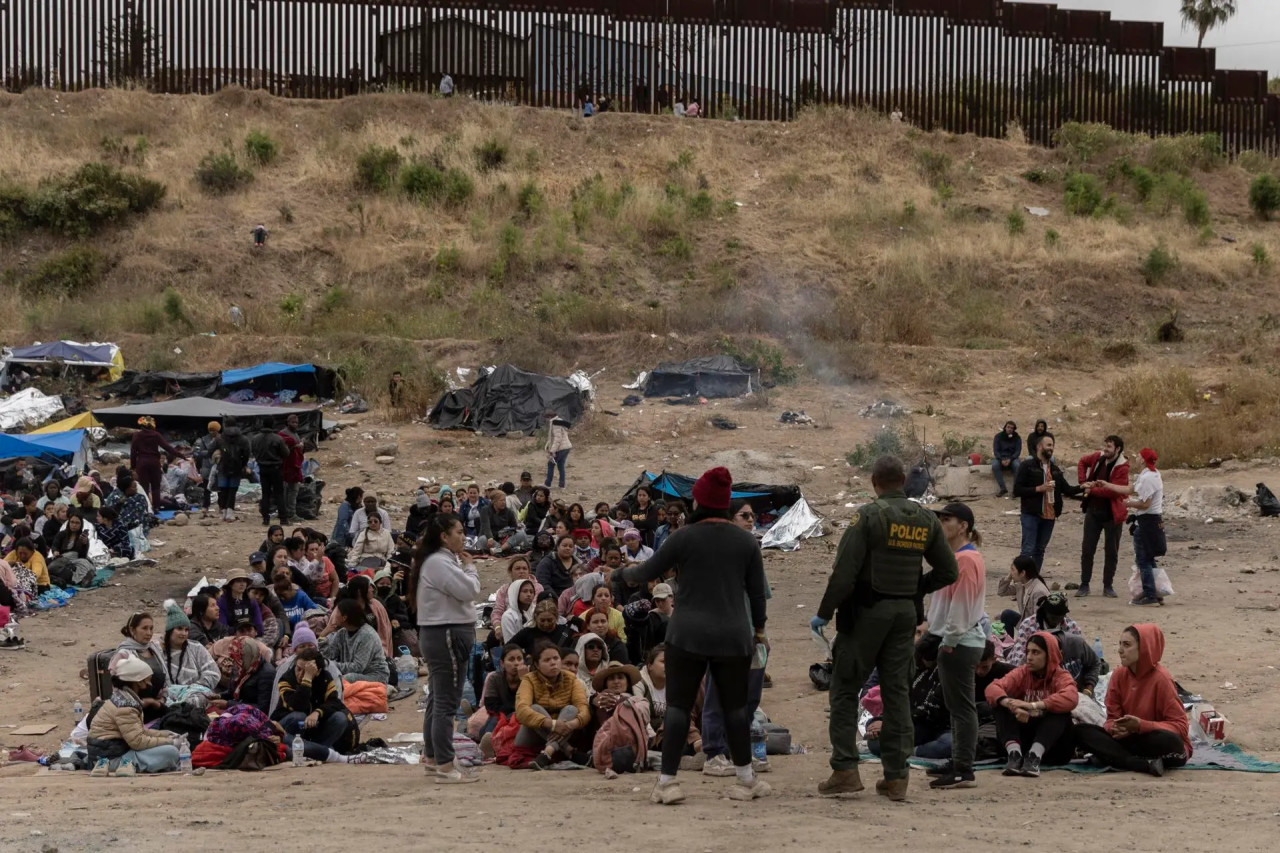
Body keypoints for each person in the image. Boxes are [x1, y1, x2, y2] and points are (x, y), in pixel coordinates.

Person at [811, 455, 958, 801]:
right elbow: (948, 571)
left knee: (845, 688)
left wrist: (823, 613)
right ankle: (896, 777)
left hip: (865, 614)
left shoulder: (867, 516)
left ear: (875, 483)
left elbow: (844, 573)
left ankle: (845, 769)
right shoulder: (925, 518)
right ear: (903, 481)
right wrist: (917, 588)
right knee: (896, 693)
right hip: (905, 615)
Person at [621, 466, 770, 805]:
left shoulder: (683, 537)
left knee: (677, 707)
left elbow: (646, 571)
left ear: (699, 500)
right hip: (733, 635)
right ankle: (746, 781)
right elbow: (758, 594)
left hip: (686, 634)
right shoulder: (746, 541)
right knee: (734, 708)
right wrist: (758, 629)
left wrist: (621, 572)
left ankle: (668, 783)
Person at [408, 513, 481, 784]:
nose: (463, 537)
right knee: (446, 703)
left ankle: (432, 757)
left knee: (438, 699)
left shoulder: (437, 561)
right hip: (447, 634)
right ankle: (446, 765)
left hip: (442, 633)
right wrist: (472, 568)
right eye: (459, 532)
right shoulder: (439, 562)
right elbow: (469, 590)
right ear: (443, 536)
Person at [926, 503, 988, 790]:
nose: (941, 523)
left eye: (947, 519)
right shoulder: (955, 557)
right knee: (956, 706)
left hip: (960, 642)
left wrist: (948, 641)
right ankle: (958, 760)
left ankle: (964, 768)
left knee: (962, 708)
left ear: (963, 526)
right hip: (954, 639)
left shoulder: (966, 560)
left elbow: (961, 606)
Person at [1074, 624, 1190, 776]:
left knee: (1169, 740)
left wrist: (1140, 726)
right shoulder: (1118, 675)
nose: (1120, 650)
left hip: (1154, 741)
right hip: (1130, 741)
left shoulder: (1161, 679)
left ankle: (1117, 758)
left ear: (1144, 648)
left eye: (1127, 645)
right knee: (1080, 731)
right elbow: (1111, 719)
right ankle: (1140, 764)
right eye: (1120, 644)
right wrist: (1115, 729)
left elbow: (1181, 727)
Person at [986, 632, 1079, 777]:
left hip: (1052, 748)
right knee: (1000, 703)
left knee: (1060, 711)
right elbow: (992, 688)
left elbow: (1071, 697)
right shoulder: (1022, 673)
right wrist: (1012, 705)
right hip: (1024, 740)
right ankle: (1014, 755)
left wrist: (1033, 706)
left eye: (1036, 652)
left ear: (1050, 655)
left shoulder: (1061, 676)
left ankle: (1034, 757)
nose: (1029, 657)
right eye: (1028, 652)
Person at [87, 651, 181, 776]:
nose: (150, 684)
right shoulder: (125, 706)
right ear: (138, 682)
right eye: (147, 680)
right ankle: (127, 765)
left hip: (113, 751)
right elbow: (138, 742)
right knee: (171, 752)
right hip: (111, 758)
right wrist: (169, 742)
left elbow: (139, 731)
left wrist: (166, 735)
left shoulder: (124, 699)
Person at [274, 634, 362, 764]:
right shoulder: (287, 679)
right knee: (299, 716)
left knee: (340, 718)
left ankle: (318, 750)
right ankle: (315, 751)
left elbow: (335, 702)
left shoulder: (325, 677)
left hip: (314, 728)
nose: (300, 674)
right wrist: (307, 679)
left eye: (306, 671)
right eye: (298, 669)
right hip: (289, 727)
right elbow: (298, 705)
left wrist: (317, 712)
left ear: (318, 671)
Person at [1012, 435, 1083, 571]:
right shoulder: (1027, 466)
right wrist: (1039, 489)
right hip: (1031, 514)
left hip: (1049, 516)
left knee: (1040, 550)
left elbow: (1068, 490)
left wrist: (1084, 486)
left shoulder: (1055, 470)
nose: (1051, 448)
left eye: (1052, 445)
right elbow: (1017, 490)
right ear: (1039, 446)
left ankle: (1034, 580)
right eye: (1048, 445)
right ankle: (1020, 580)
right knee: (1028, 550)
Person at [514, 642, 590, 769]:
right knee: (534, 709)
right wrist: (553, 725)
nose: (553, 663)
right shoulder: (529, 680)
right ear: (537, 665)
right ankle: (569, 750)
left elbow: (584, 708)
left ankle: (548, 752)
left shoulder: (571, 679)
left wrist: (571, 724)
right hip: (535, 734)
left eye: (556, 658)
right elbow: (521, 710)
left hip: (566, 730)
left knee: (571, 709)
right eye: (547, 660)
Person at [1075, 435, 1130, 598]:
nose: (1106, 449)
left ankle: (1108, 585)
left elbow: (1114, 491)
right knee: (1087, 549)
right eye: (1105, 445)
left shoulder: (1122, 467)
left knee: (1111, 551)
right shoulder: (1098, 457)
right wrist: (1083, 481)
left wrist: (1091, 490)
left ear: (1118, 449)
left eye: (1109, 447)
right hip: (1093, 511)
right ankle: (1084, 584)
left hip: (1112, 514)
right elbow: (1082, 462)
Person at [1125, 448, 1166, 606]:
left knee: (1143, 560)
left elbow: (1145, 504)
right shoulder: (1151, 474)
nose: (1136, 458)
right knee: (1149, 558)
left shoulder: (1148, 477)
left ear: (1143, 459)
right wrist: (1107, 486)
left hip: (1146, 522)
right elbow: (1131, 489)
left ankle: (1150, 595)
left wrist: (1128, 503)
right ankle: (1157, 592)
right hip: (1152, 521)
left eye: (1139, 456)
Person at [161, 601, 220, 703]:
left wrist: (192, 688)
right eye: (179, 629)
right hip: (167, 696)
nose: (184, 633)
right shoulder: (158, 650)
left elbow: (213, 672)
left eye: (187, 630)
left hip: (195, 694)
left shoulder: (195, 647)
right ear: (169, 630)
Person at [116, 611, 168, 720]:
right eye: (144, 628)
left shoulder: (154, 649)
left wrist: (162, 700)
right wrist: (143, 702)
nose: (149, 633)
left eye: (151, 628)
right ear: (132, 629)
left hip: (158, 702)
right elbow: (119, 689)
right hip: (135, 708)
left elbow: (166, 681)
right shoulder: (124, 654)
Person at [324, 599, 390, 683]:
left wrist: (330, 665)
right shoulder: (342, 633)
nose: (333, 614)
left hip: (375, 676)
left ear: (344, 617)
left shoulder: (367, 635)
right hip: (355, 673)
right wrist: (323, 635)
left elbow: (358, 667)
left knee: (347, 679)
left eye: (336, 612)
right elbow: (329, 656)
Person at [130, 416, 185, 509]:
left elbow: (133, 451)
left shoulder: (136, 435)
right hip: (154, 462)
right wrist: (181, 455)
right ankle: (156, 508)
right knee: (156, 487)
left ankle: (146, 508)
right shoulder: (156, 435)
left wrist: (133, 466)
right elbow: (167, 447)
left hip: (142, 463)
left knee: (144, 487)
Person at [213, 635, 276, 714]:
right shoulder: (241, 668)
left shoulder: (267, 674)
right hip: (239, 709)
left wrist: (228, 705)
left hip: (254, 717)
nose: (234, 661)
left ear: (246, 656)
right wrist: (219, 696)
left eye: (237, 657)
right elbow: (233, 692)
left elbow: (262, 708)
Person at [214, 418, 253, 522]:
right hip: (237, 467)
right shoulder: (243, 439)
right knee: (232, 490)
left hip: (223, 466)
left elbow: (210, 450)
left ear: (225, 425)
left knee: (223, 490)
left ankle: (223, 512)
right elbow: (247, 453)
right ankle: (230, 513)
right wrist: (243, 464)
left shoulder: (220, 438)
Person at [997, 555, 1049, 631]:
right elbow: (1002, 592)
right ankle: (1008, 643)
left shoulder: (1038, 591)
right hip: (1027, 622)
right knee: (1006, 615)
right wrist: (1008, 578)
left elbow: (1039, 621)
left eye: (1013, 570)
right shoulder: (1021, 584)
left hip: (1036, 628)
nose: (1011, 573)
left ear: (1022, 573)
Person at [510, 598, 575, 655]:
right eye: (542, 620)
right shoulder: (527, 633)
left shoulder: (566, 632)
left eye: (549, 620)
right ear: (536, 618)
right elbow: (508, 649)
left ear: (556, 617)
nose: (546, 624)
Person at [255, 427, 290, 526]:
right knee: (279, 493)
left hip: (262, 468)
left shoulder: (255, 438)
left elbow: (253, 451)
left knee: (265, 494)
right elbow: (286, 453)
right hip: (276, 468)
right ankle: (283, 519)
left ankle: (265, 519)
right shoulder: (278, 438)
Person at [217, 568, 264, 636]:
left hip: (252, 637)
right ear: (230, 584)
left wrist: (252, 632)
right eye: (238, 581)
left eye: (244, 581)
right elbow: (223, 628)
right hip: (231, 639)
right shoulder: (222, 603)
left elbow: (259, 626)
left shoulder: (252, 602)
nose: (242, 584)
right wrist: (241, 632)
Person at [272, 566, 318, 634]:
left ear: (289, 588)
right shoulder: (277, 601)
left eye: (283, 595)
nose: (282, 598)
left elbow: (315, 611)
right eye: (279, 596)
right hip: (286, 633)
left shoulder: (301, 596)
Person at [192, 421, 222, 514]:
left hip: (219, 466)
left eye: (214, 430)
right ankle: (206, 506)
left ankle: (221, 506)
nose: (212, 432)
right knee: (206, 488)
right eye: (210, 430)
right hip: (207, 466)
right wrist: (209, 453)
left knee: (220, 488)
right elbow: (198, 453)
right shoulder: (203, 440)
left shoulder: (222, 439)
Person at [280, 424, 304, 524]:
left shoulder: (294, 434)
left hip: (291, 467)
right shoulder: (283, 435)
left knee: (290, 490)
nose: (295, 424)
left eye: (297, 422)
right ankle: (290, 513)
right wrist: (296, 446)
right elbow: (284, 451)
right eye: (293, 422)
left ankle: (286, 512)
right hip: (289, 467)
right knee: (291, 491)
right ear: (288, 422)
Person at [992, 421, 1022, 497]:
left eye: (1012, 428)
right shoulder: (998, 437)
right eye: (1008, 427)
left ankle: (1015, 490)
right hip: (1000, 458)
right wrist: (1001, 459)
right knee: (995, 465)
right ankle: (1003, 488)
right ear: (1005, 427)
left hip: (1012, 458)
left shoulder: (1017, 438)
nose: (1010, 429)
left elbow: (1017, 451)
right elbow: (996, 450)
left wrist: (1010, 459)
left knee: (1017, 466)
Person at [543, 410, 572, 489]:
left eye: (546, 418)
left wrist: (552, 451)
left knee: (550, 464)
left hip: (561, 448)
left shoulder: (555, 423)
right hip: (566, 447)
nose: (546, 420)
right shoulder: (559, 421)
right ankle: (561, 485)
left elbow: (557, 439)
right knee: (560, 465)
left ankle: (547, 484)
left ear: (549, 417)